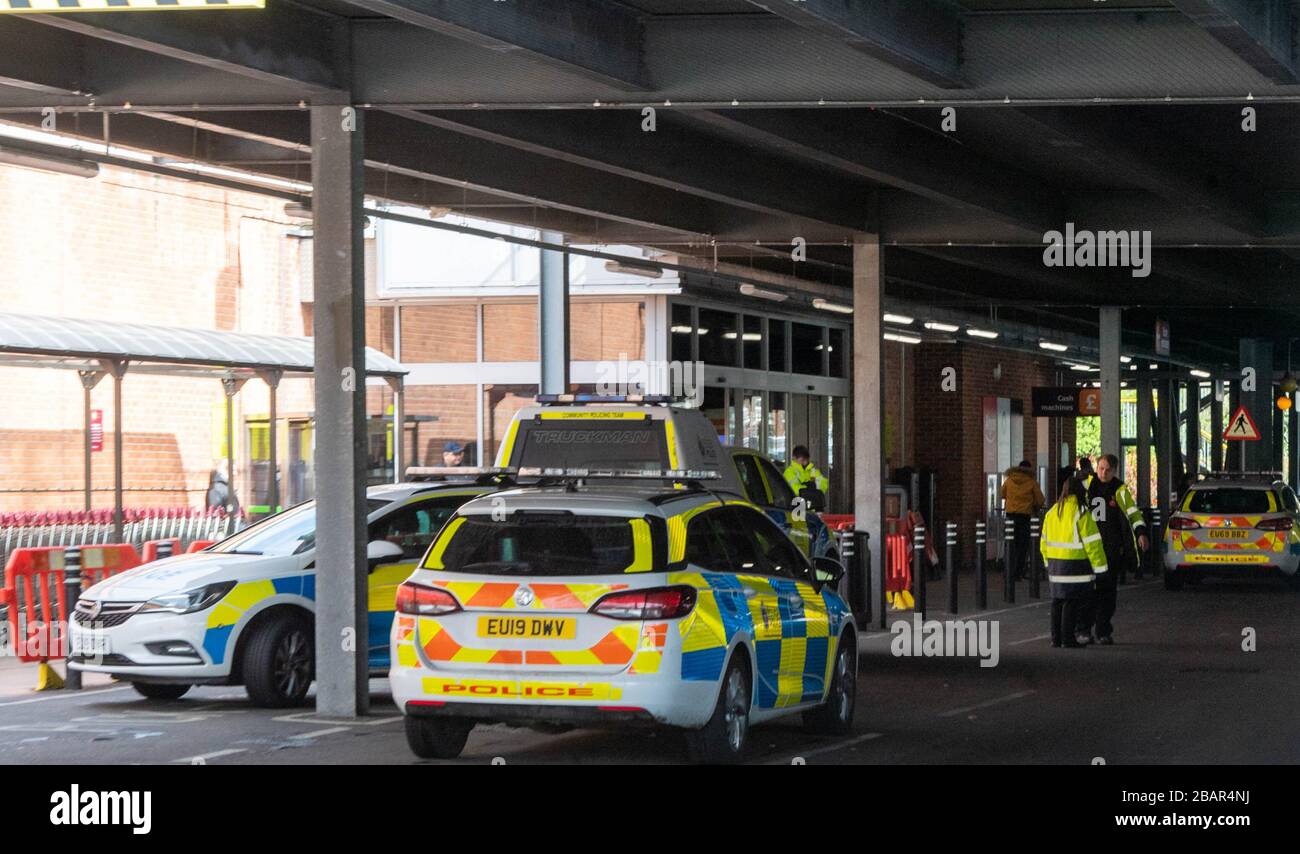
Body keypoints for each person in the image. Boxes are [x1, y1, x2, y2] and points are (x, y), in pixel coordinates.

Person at [1081, 453, 1148, 644]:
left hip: (1111, 549)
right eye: (1101, 468)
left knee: (1107, 593)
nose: (1103, 472)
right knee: (1087, 591)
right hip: (1089, 550)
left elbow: (1133, 514)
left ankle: (1103, 631)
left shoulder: (1119, 489)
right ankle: (1084, 629)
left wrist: (1141, 532)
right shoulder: (1086, 485)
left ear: (1115, 471)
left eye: (1108, 470)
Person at [1040, 475, 1108, 648]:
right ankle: (1068, 639)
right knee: (1071, 602)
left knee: (1057, 601)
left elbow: (1044, 541)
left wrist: (1048, 563)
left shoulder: (1052, 512)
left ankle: (1056, 639)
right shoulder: (1082, 512)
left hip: (1055, 564)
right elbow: (1093, 544)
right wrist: (1101, 568)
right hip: (1075, 566)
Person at [1000, 460, 1045, 580]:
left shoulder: (1009, 480)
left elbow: (1001, 494)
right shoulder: (1031, 482)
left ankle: (1008, 571)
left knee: (1010, 544)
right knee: (1022, 546)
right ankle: (1018, 573)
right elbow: (1040, 500)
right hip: (1024, 517)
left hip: (1010, 516)